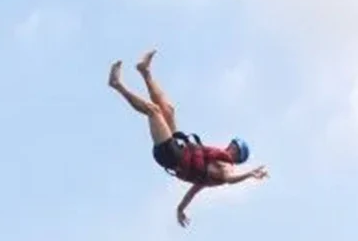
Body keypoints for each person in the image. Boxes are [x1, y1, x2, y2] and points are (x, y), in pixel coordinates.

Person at [108, 50, 269, 227]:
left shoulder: (227, 167)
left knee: (152, 111)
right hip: (180, 148)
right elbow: (192, 193)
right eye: (232, 144)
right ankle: (145, 71)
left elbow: (230, 180)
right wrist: (180, 208)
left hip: (171, 156)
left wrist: (249, 174)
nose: (230, 148)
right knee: (168, 111)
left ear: (237, 156)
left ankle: (117, 85)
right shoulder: (213, 169)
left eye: (234, 149)